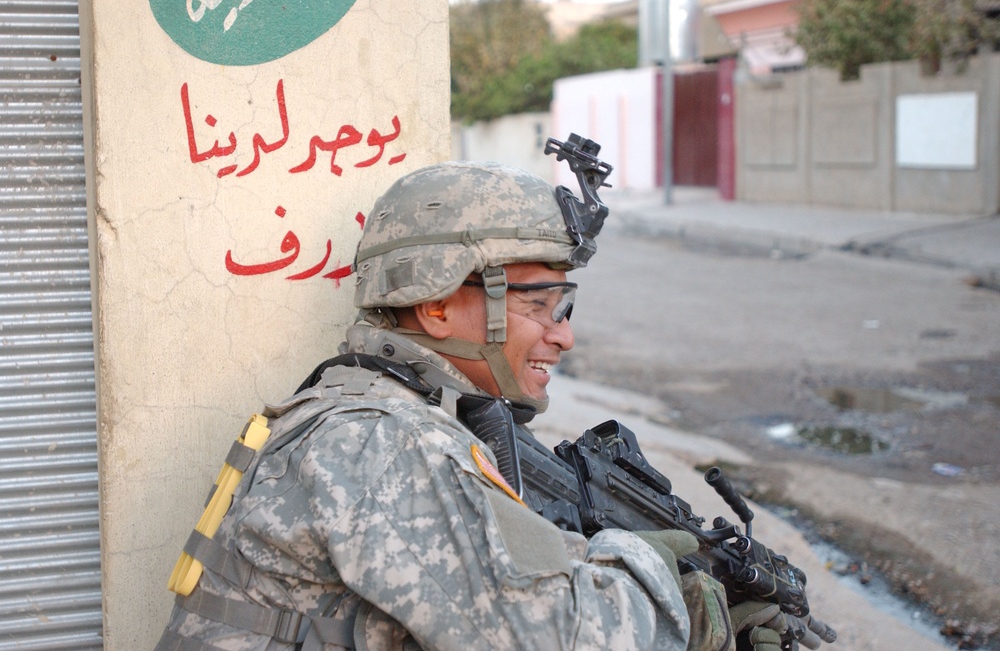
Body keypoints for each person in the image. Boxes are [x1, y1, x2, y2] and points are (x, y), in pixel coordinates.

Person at [156, 138, 785, 650]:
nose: (563, 336)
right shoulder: (382, 441)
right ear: (435, 305)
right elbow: (561, 641)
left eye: (565, 306)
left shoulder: (389, 412)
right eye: (543, 305)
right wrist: (670, 585)